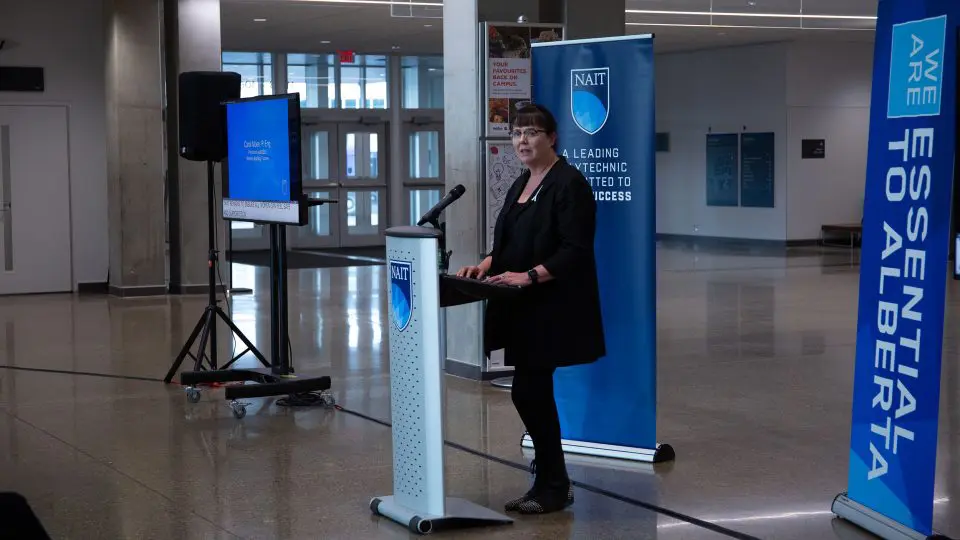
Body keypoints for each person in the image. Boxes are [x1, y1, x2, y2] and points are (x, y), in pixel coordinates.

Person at [457, 104, 605, 515]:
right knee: (529, 391)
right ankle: (551, 478)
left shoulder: (569, 183)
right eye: (517, 133)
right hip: (519, 305)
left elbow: (574, 250)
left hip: (551, 305)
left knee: (530, 390)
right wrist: (484, 265)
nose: (523, 140)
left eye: (533, 132)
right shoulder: (522, 181)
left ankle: (554, 485)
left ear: (552, 138)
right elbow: (509, 239)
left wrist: (529, 276)